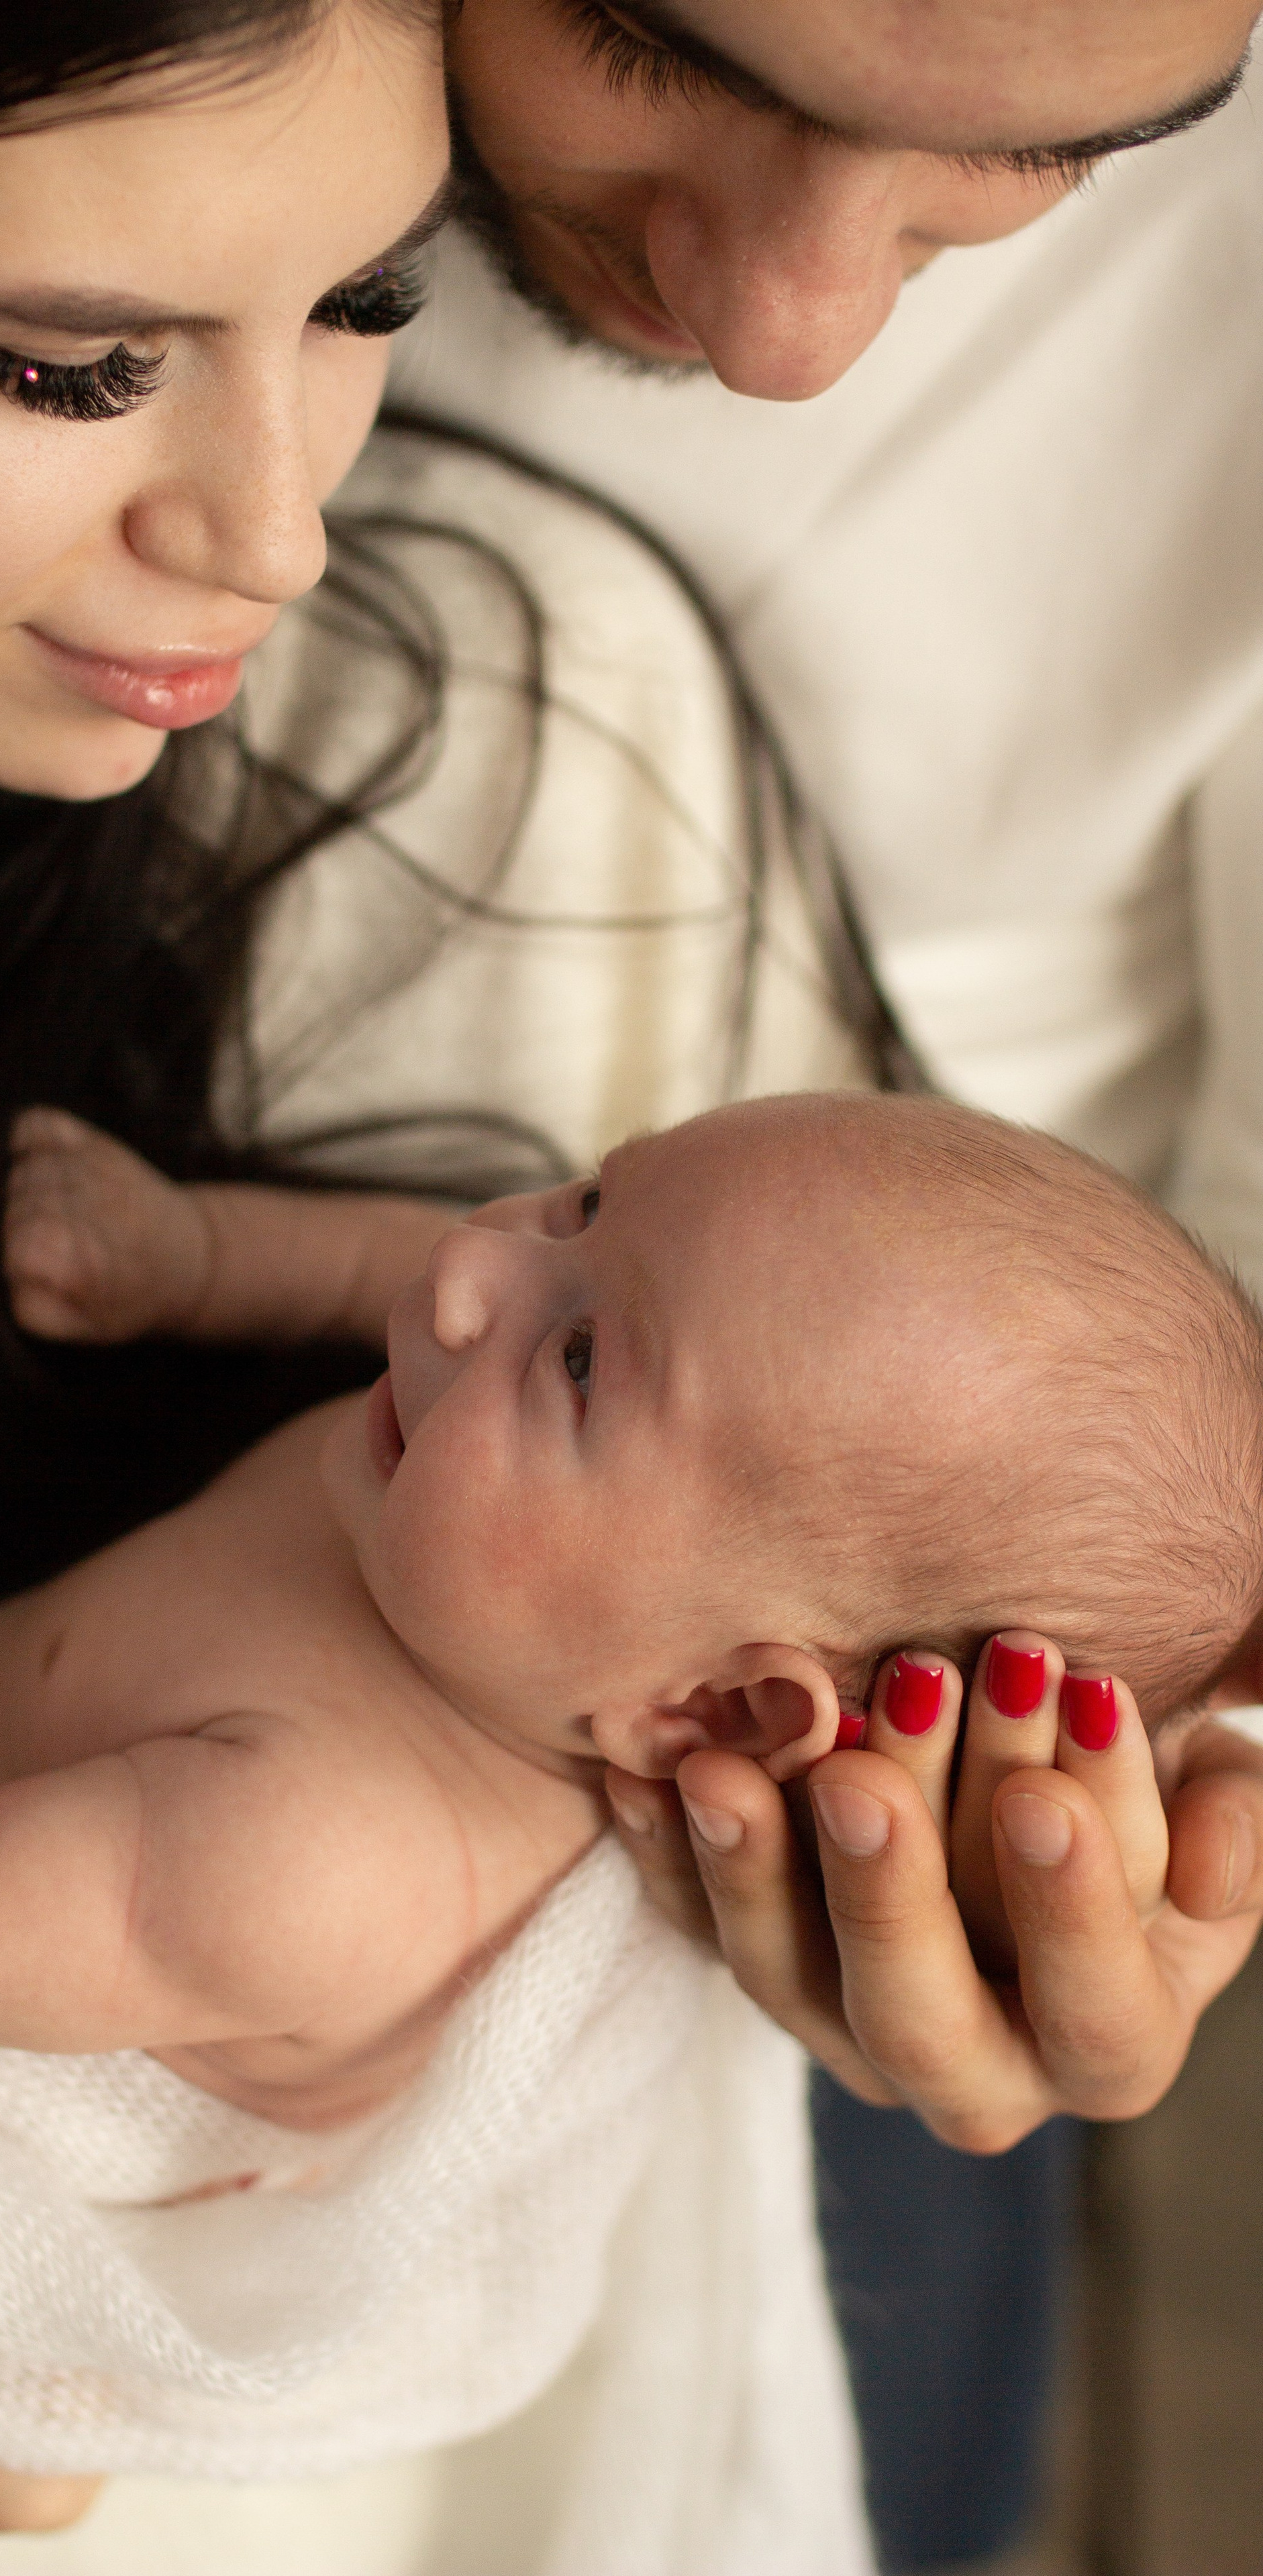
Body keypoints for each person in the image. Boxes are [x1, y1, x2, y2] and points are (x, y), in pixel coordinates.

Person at [0, 1092, 1246, 2514]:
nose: (465, 1271)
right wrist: (188, 1254)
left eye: (577, 1358)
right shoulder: (510, 1540)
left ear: (711, 1709)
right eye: (587, 1196)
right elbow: (417, 1260)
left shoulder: (329, 1852)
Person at [392, 0, 1263, 2557]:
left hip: (801, 1746)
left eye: (1059, 156)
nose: (790, 330)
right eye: (645, 39)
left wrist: (1117, 1806)